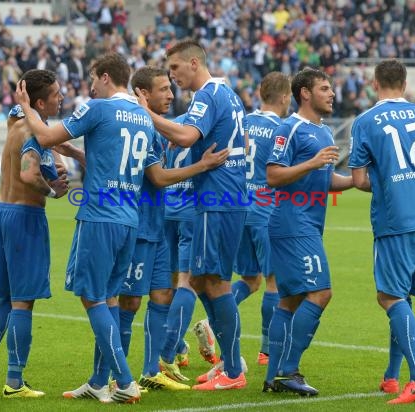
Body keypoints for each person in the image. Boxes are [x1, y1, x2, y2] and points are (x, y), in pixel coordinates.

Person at [16, 53, 153, 404]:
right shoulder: (143, 116)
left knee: (92, 298)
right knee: (107, 299)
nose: (90, 86)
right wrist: (77, 154)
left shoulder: (97, 107)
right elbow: (113, 161)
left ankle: (124, 381)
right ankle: (97, 381)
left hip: (99, 217)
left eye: (92, 79)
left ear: (105, 77)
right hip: (128, 219)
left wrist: (25, 106)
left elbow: (44, 137)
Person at [135, 39, 248, 391]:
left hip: (217, 199)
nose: (173, 77)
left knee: (214, 282)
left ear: (194, 63)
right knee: (199, 280)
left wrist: (148, 115)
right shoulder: (227, 93)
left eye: (175, 69)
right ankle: (228, 364)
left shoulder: (208, 95)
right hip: (220, 198)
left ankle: (233, 371)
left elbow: (186, 135)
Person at [118, 66, 229, 391]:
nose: (171, 94)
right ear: (143, 94)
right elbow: (158, 176)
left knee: (164, 291)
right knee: (141, 297)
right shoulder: (160, 125)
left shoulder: (170, 125)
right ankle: (120, 371)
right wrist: (204, 165)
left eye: (170, 88)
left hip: (163, 213)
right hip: (160, 216)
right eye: (163, 89)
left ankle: (154, 366)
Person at [349, 59, 415, 404]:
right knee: (402, 297)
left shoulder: (365, 121)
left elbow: (360, 179)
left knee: (389, 297)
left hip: (396, 220)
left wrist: (389, 183)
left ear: (375, 83)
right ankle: (392, 377)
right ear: (405, 84)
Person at [0, 69, 71, 398]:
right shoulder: (33, 131)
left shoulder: (16, 122)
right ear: (40, 101)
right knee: (23, 301)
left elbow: (24, 117)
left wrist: (55, 150)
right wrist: (52, 189)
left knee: (8, 297)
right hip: (25, 216)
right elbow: (29, 174)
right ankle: (15, 381)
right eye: (56, 94)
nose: (61, 98)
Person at [262, 67, 353, 396]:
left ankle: (274, 376)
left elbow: (325, 180)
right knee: (320, 293)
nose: (332, 94)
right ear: (305, 93)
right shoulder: (290, 127)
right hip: (292, 222)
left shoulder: (325, 133)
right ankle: (289, 371)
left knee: (290, 300)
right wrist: (312, 163)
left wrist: (357, 181)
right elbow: (273, 175)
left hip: (308, 223)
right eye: (325, 88)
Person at [232, 71, 291, 366]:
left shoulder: (242, 123)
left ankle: (214, 317)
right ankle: (267, 349)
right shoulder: (281, 129)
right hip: (267, 210)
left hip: (238, 208)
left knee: (249, 279)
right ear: (284, 97)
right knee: (273, 283)